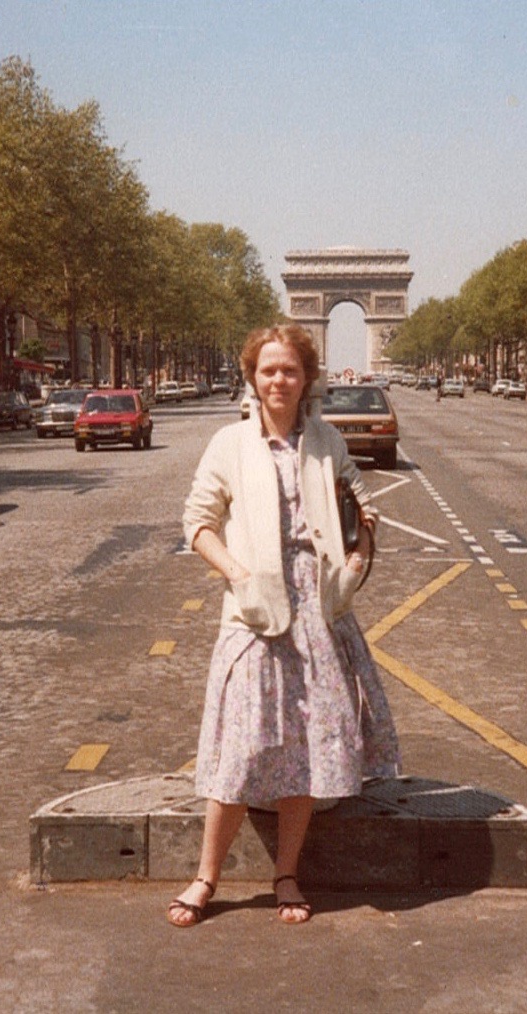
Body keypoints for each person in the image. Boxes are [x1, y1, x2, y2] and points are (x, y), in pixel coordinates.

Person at [170, 323, 400, 928]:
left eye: (290, 370)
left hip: (318, 609)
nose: (279, 380)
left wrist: (355, 560)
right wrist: (239, 577)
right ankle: (205, 876)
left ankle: (287, 872)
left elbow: (361, 505)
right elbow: (196, 521)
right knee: (240, 749)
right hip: (255, 607)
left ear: (307, 378)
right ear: (253, 377)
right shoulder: (227, 443)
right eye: (268, 370)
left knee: (306, 750)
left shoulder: (327, 440)